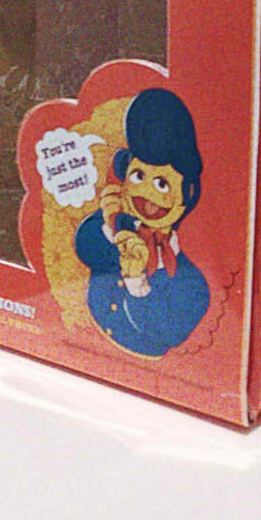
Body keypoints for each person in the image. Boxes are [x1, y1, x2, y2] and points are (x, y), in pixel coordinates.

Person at [74, 87, 210, 356]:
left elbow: (168, 332)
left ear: (185, 197)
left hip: (149, 371)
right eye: (138, 176)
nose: (145, 193)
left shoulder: (190, 282)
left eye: (161, 184)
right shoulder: (115, 224)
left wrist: (138, 286)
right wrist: (111, 230)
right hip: (82, 349)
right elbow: (85, 246)